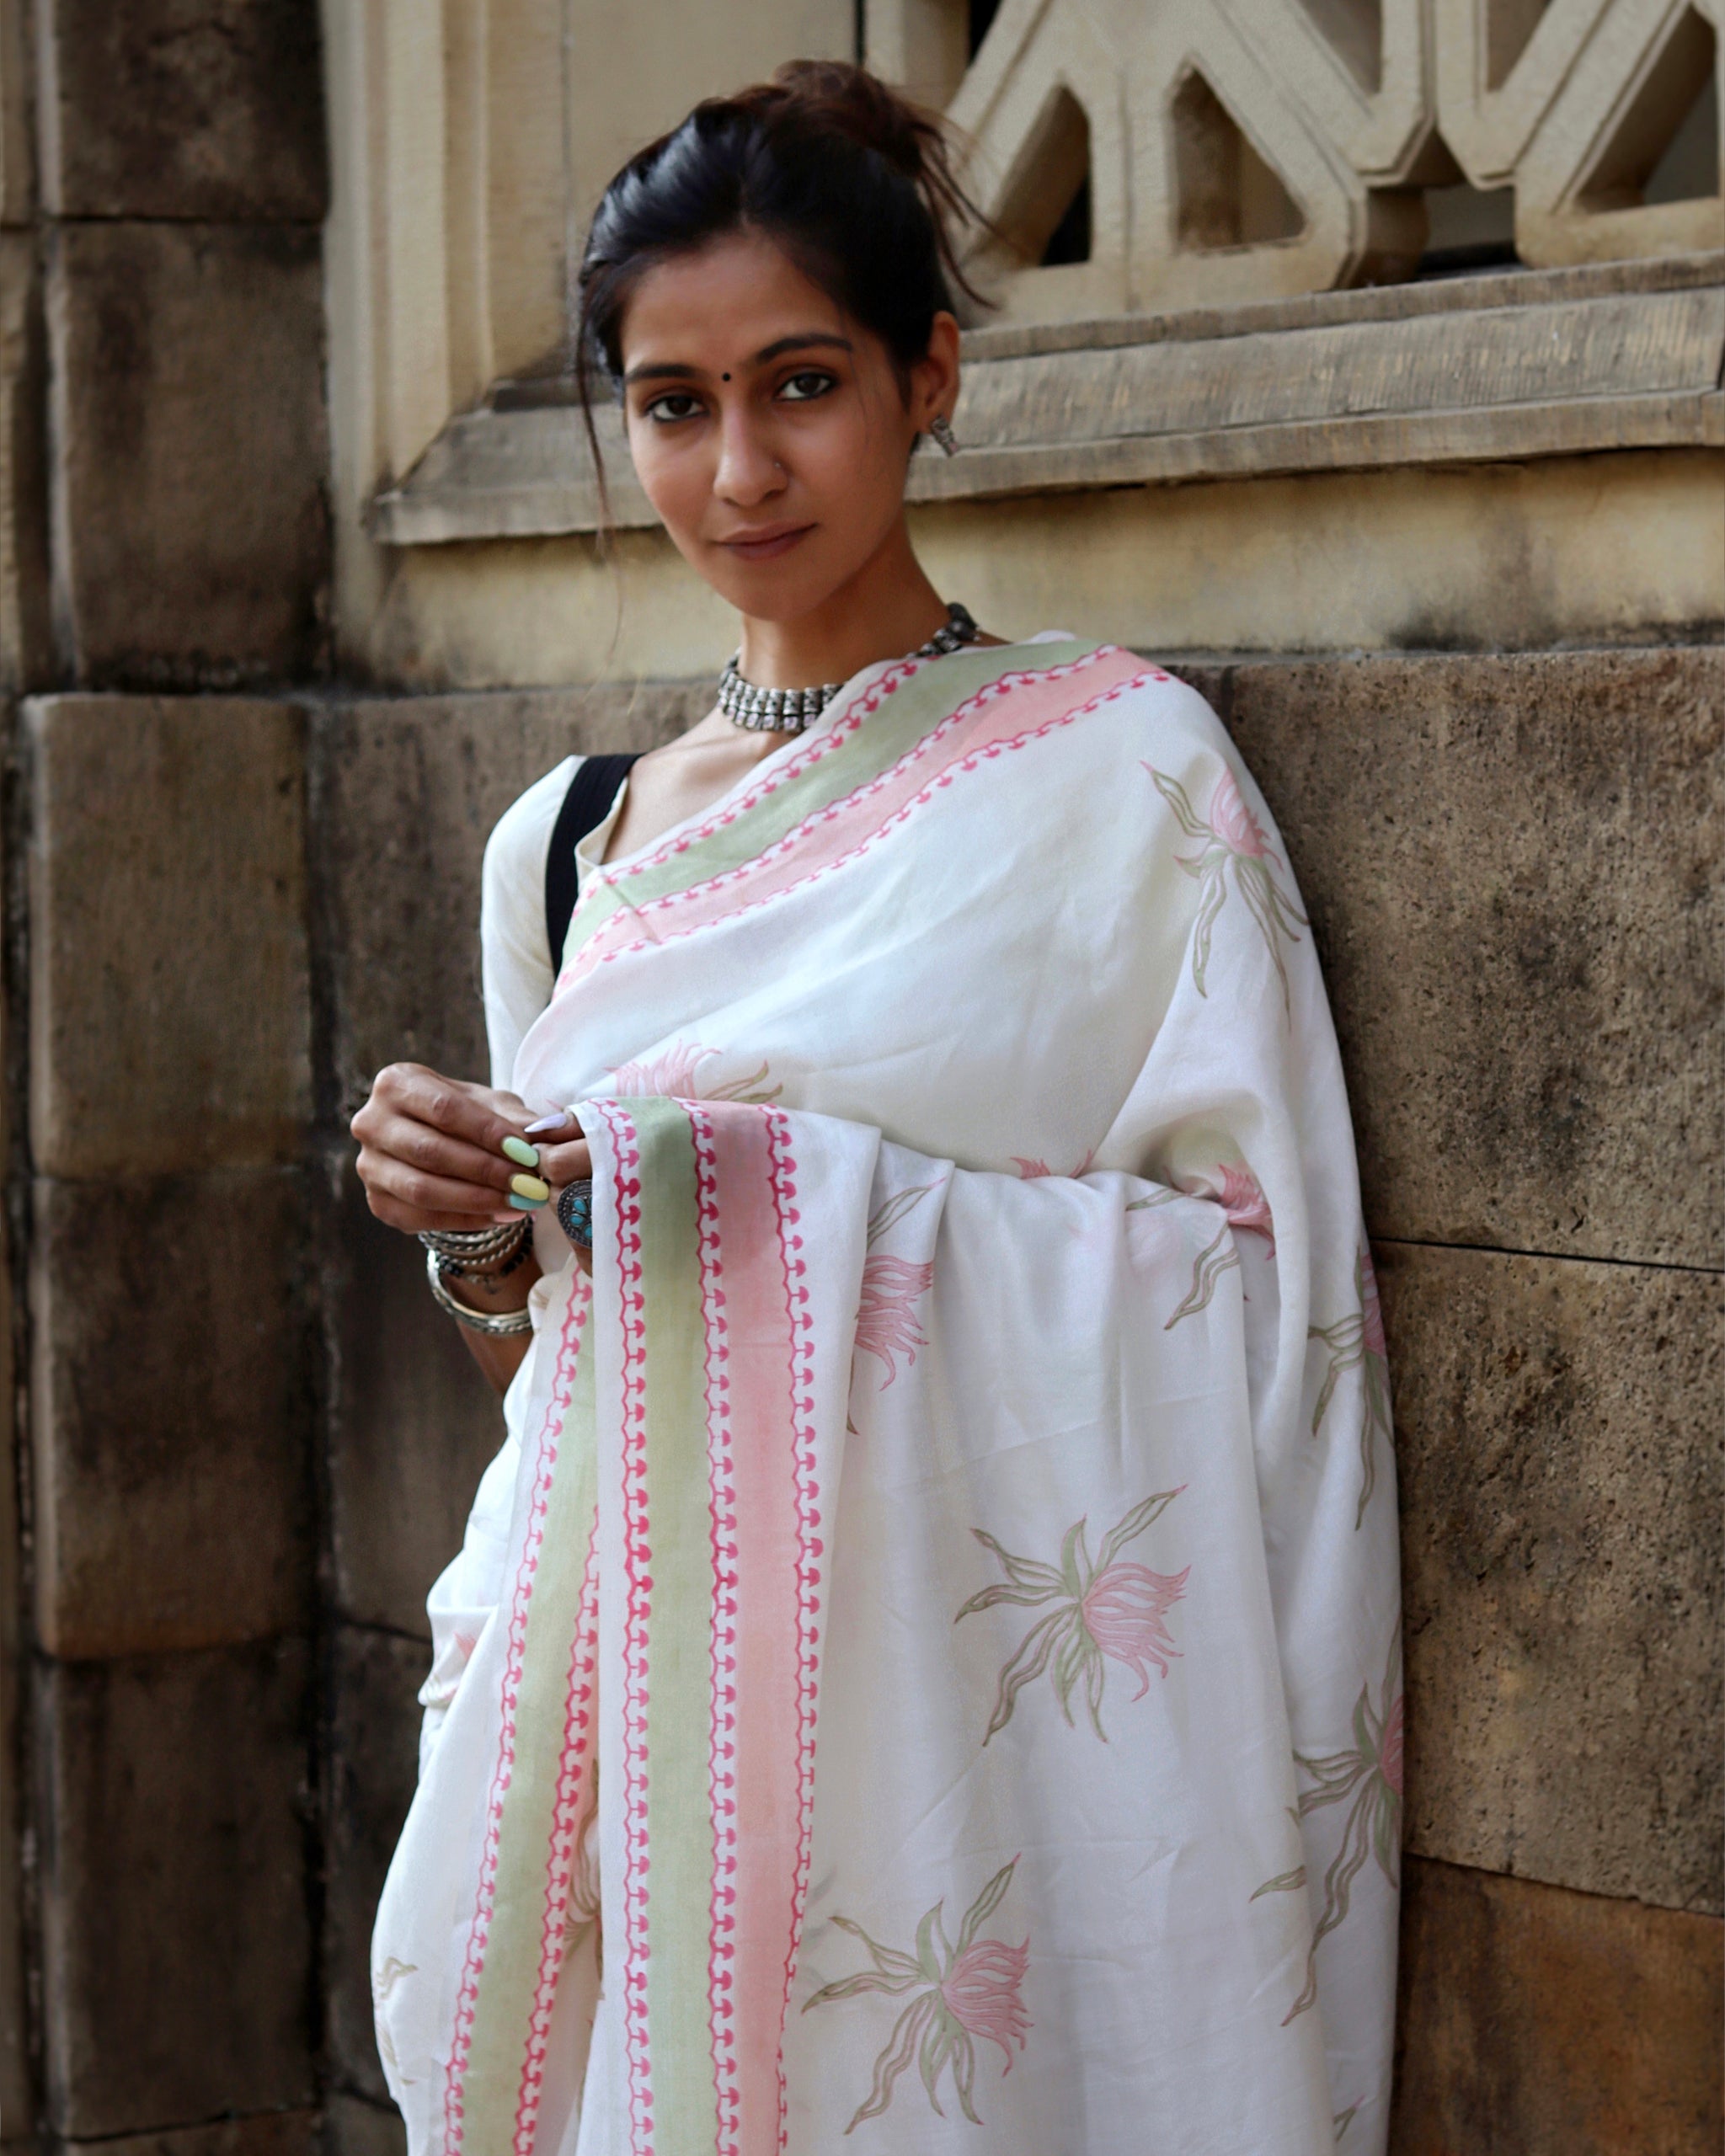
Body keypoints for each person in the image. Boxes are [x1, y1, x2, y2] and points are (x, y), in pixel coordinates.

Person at [354, 59, 1402, 2156]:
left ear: (928, 376)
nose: (739, 468)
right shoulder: (560, 848)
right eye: (674, 404)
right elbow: (561, 1369)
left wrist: (746, 1191)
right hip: (643, 1740)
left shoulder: (1116, 778)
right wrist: (483, 1223)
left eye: (801, 384)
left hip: (965, 1777)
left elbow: (1266, 1304)